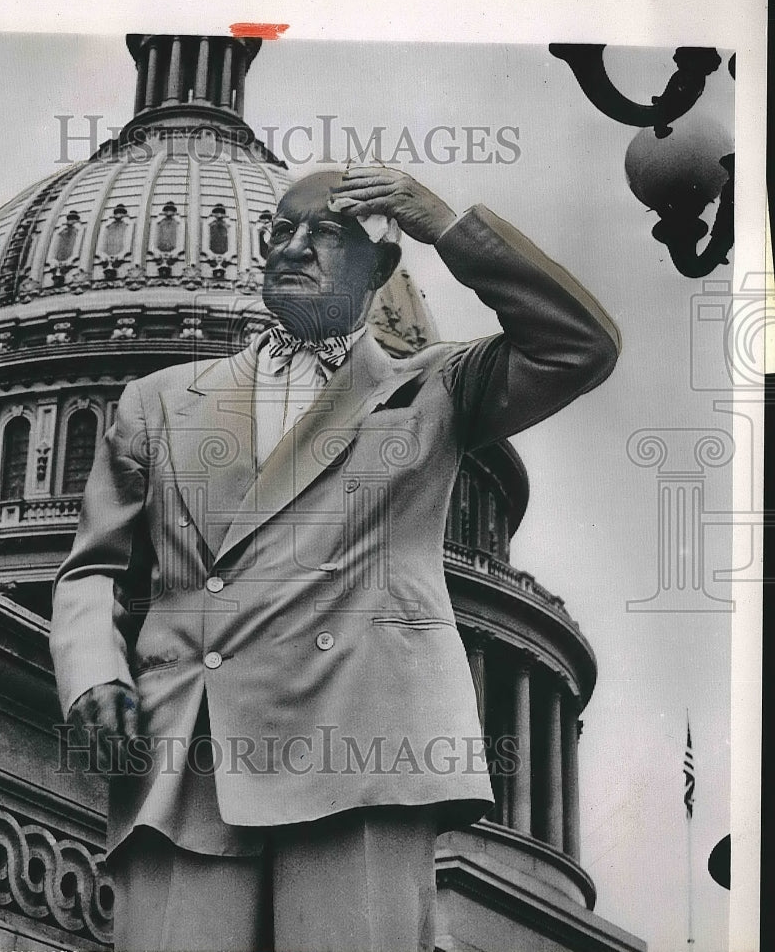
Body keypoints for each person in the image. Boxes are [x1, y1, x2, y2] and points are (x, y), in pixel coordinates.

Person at [50, 166, 620, 952]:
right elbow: (90, 570)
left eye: (324, 233)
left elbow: (579, 344)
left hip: (357, 750)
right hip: (189, 754)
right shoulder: (158, 400)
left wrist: (444, 224)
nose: (292, 248)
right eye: (279, 232)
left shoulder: (433, 389)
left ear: (380, 269)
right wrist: (93, 672)